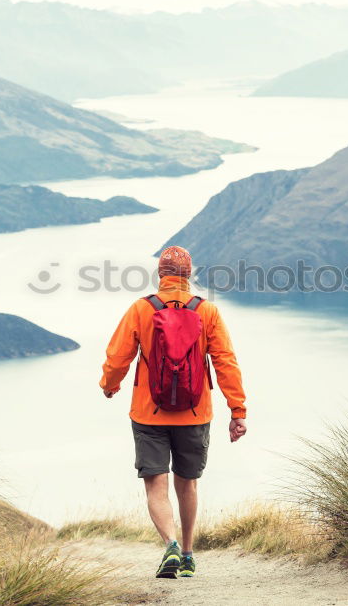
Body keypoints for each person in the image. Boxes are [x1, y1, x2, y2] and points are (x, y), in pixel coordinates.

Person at [100, 245, 247, 579]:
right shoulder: (206, 311)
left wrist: (109, 384)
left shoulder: (142, 309)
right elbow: (225, 362)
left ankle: (171, 545)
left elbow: (118, 356)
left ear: (160, 276)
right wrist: (237, 410)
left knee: (156, 484)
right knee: (188, 484)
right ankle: (190, 554)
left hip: (148, 413)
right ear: (189, 276)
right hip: (195, 414)